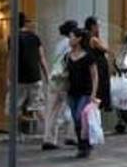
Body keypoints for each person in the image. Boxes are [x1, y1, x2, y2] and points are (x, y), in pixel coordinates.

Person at [42, 20, 78, 151]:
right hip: (66, 79)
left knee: (52, 110)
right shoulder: (72, 44)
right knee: (73, 106)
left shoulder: (59, 44)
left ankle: (48, 138)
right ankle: (71, 135)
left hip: (55, 78)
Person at [64, 26, 100, 158]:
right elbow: (65, 74)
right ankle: (82, 145)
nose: (69, 39)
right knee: (76, 119)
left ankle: (85, 144)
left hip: (85, 92)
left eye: (72, 37)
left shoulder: (88, 56)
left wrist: (93, 94)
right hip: (72, 92)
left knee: (80, 117)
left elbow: (95, 75)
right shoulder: (68, 56)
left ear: (79, 39)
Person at [10, 14, 48, 135]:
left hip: (19, 78)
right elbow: (42, 58)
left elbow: (11, 59)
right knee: (38, 106)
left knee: (16, 106)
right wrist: (47, 76)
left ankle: (17, 133)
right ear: (25, 23)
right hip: (35, 77)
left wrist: (8, 77)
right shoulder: (35, 37)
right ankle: (48, 133)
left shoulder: (13, 37)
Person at [84, 17, 111, 109]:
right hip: (99, 66)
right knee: (100, 87)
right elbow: (105, 48)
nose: (99, 27)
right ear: (92, 26)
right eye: (97, 25)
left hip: (100, 65)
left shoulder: (91, 38)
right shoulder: (93, 39)